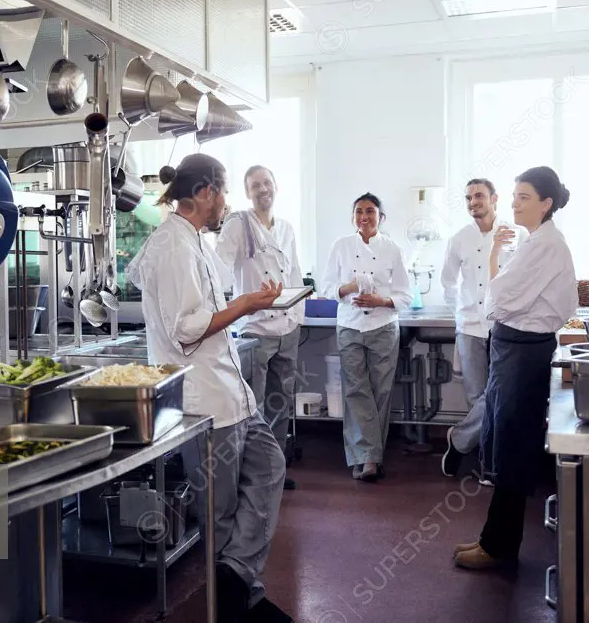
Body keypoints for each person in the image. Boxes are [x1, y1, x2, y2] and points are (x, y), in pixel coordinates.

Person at [125, 154, 293, 623]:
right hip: (203, 402)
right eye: (223, 192)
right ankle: (241, 605)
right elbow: (185, 330)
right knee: (218, 512)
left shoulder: (191, 238)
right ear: (203, 193)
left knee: (270, 466)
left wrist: (247, 304)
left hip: (230, 392)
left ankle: (236, 579)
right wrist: (246, 303)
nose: (227, 204)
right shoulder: (173, 246)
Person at [454, 166, 577, 570]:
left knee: (512, 444)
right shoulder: (535, 241)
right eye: (514, 195)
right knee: (505, 440)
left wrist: (495, 279)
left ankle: (499, 548)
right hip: (515, 347)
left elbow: (501, 299)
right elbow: (500, 294)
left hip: (523, 351)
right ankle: (495, 540)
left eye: (523, 197)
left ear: (546, 203)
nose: (513, 203)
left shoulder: (544, 244)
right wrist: (495, 267)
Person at [216, 165, 304, 491]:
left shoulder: (286, 228)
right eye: (255, 185)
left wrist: (298, 317)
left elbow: (294, 274)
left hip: (287, 328)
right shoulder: (239, 223)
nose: (263, 189)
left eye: (267, 183)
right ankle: (251, 473)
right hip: (254, 329)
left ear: (276, 186)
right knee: (254, 405)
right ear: (247, 192)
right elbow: (219, 268)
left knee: (281, 403)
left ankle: (275, 469)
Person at [321, 193, 413, 482]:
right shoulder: (341, 246)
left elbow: (405, 295)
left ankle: (367, 457)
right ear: (353, 217)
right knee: (355, 390)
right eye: (359, 211)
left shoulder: (393, 249)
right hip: (349, 326)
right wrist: (348, 287)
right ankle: (370, 459)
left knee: (380, 392)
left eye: (370, 211)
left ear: (381, 217)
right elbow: (325, 287)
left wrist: (381, 301)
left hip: (383, 327)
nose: (364, 216)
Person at [439, 179, 526, 480]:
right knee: (478, 396)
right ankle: (487, 464)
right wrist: (459, 313)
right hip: (470, 327)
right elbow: (447, 282)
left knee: (498, 395)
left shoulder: (516, 233)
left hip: (503, 325)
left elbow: (522, 278)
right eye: (468, 197)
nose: (473, 201)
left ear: (494, 199)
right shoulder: (459, 239)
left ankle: (459, 440)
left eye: (479, 195)